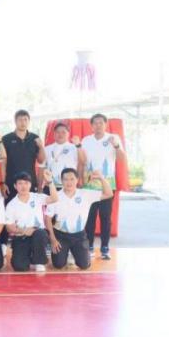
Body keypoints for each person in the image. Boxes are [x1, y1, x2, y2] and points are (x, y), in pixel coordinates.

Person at [46, 169, 112, 270]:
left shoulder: (85, 194)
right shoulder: (55, 196)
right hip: (60, 235)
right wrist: (53, 239)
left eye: (72, 179)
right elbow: (47, 219)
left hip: (79, 236)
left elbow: (108, 194)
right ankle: (66, 252)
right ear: (61, 180)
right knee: (58, 264)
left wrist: (101, 178)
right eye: (66, 179)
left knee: (84, 265)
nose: (69, 182)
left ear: (77, 180)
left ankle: (74, 253)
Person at [81, 113, 127, 260]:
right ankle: (89, 246)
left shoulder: (113, 138)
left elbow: (122, 159)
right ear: (91, 125)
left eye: (101, 123)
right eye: (95, 123)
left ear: (105, 124)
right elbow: (82, 161)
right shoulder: (86, 140)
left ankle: (105, 247)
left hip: (107, 184)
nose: (98, 125)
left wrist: (116, 146)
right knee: (90, 217)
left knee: (105, 217)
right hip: (89, 185)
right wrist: (80, 179)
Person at [5, 171, 58, 272]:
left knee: (40, 233)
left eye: (26, 183)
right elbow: (9, 227)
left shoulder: (37, 197)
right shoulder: (11, 205)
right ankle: (28, 256)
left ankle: (39, 262)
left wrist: (50, 182)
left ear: (30, 184)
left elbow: (54, 198)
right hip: (21, 237)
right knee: (19, 267)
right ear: (15, 186)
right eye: (20, 183)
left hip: (38, 234)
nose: (23, 186)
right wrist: (24, 231)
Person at [0, 110, 46, 202]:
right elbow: (3, 164)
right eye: (20, 120)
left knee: (30, 209)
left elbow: (41, 161)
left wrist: (41, 147)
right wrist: (3, 183)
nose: (23, 123)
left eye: (25, 120)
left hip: (30, 183)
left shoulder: (35, 138)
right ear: (15, 121)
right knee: (11, 208)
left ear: (29, 121)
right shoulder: (6, 139)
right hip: (11, 183)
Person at [44, 122, 84, 192]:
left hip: (69, 186)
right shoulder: (47, 149)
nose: (60, 134)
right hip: (50, 186)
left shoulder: (74, 147)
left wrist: (78, 146)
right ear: (54, 134)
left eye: (63, 132)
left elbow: (82, 162)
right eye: (58, 132)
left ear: (68, 134)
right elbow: (42, 167)